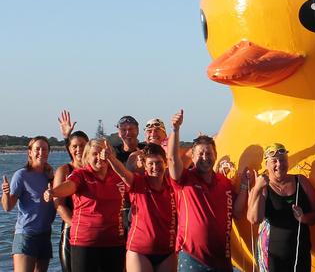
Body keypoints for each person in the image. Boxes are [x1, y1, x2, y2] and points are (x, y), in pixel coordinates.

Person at [167, 109, 249, 272]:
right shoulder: (184, 179)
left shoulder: (224, 183)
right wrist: (175, 130)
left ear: (216, 155)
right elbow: (172, 159)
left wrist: (245, 186)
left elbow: (238, 213)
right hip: (192, 258)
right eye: (200, 153)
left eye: (209, 153)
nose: (205, 157)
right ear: (193, 156)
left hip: (222, 259)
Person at [44, 138, 127, 272]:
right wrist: (54, 192)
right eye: (95, 154)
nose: (100, 157)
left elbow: (135, 188)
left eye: (103, 153)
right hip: (85, 241)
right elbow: (69, 186)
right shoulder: (81, 174)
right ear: (87, 157)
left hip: (114, 241)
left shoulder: (118, 176)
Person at [247, 143, 315, 272]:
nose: (279, 164)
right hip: (273, 256)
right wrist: (258, 189)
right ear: (266, 164)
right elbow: (254, 219)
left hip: (300, 253)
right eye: (274, 161)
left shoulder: (301, 181)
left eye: (282, 160)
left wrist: (303, 218)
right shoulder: (262, 187)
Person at [105, 142, 177, 272]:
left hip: (167, 250)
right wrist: (111, 158)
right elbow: (122, 172)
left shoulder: (173, 185)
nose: (155, 167)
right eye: (151, 164)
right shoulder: (137, 182)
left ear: (165, 163)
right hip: (139, 251)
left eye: (159, 162)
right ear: (144, 165)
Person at [2, 136, 56, 272]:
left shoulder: (50, 176)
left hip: (45, 235)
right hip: (26, 235)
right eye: (37, 149)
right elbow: (8, 207)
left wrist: (53, 179)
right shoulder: (21, 175)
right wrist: (6, 193)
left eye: (45, 149)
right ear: (30, 152)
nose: (41, 152)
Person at [54, 110, 89, 272]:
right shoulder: (64, 170)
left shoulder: (96, 170)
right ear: (69, 148)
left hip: (95, 231)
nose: (78, 149)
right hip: (71, 230)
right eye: (74, 146)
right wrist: (76, 224)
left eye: (82, 145)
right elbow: (59, 204)